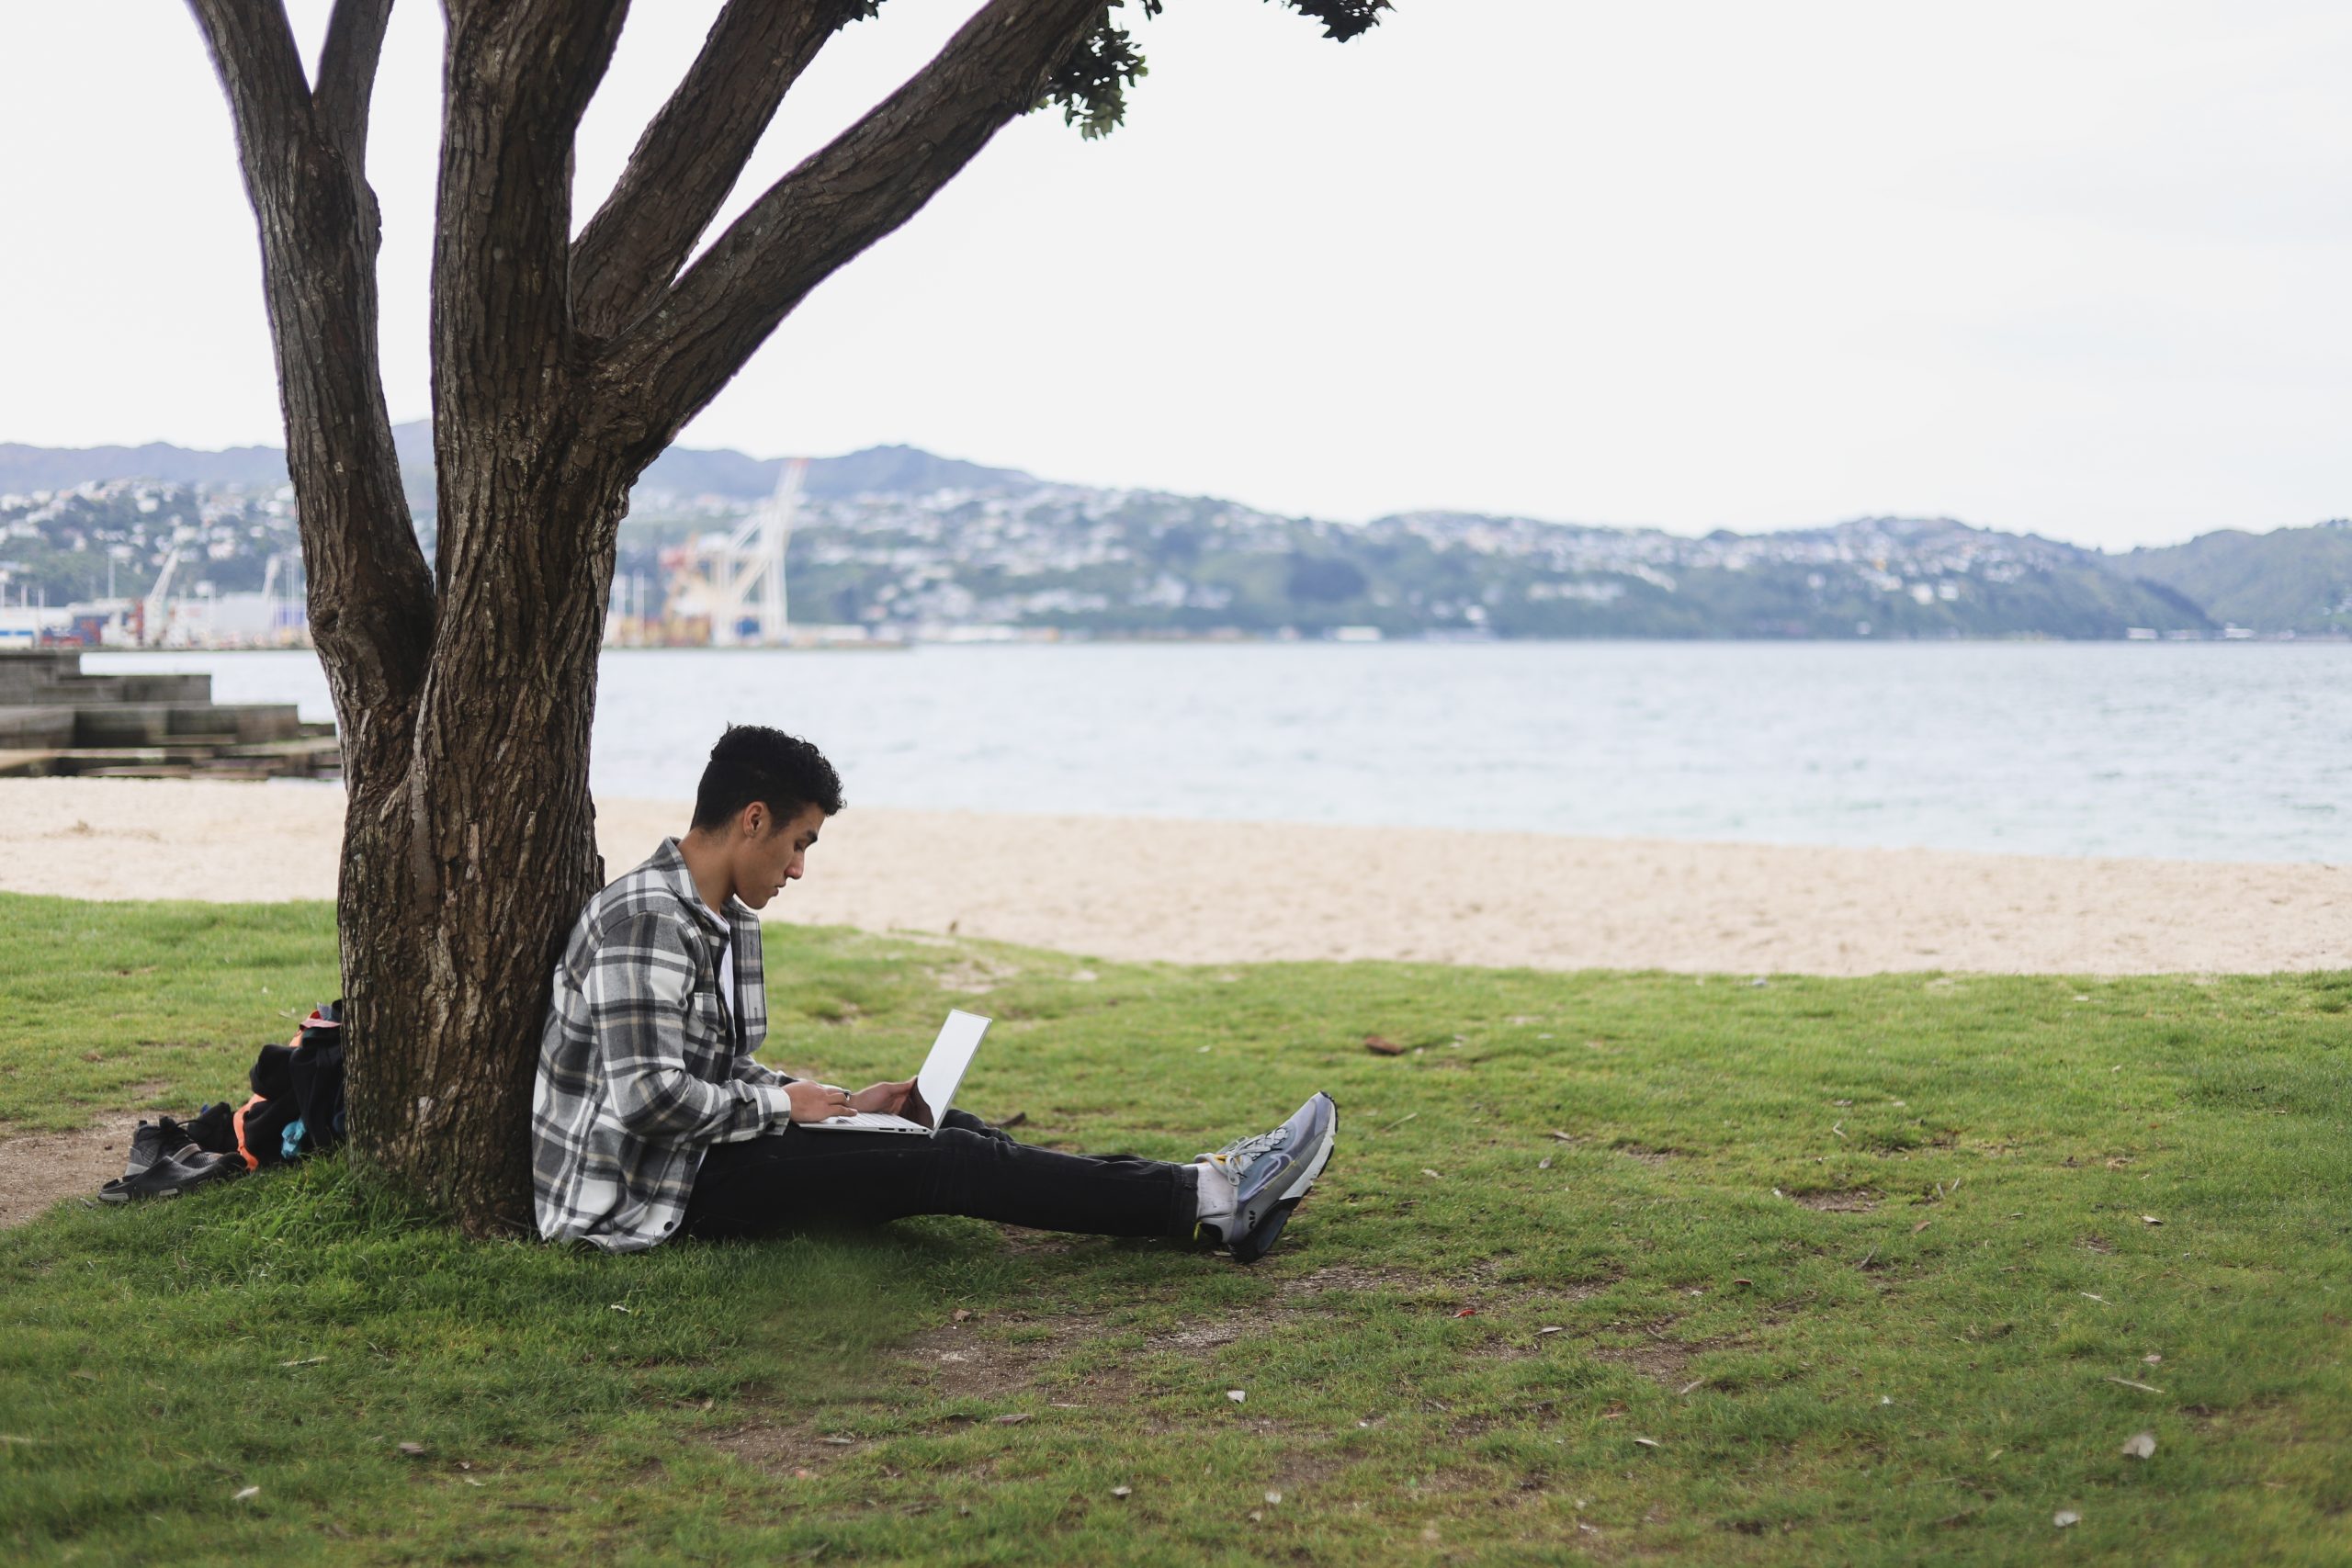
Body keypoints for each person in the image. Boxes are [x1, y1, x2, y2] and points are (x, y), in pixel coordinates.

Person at [532, 724, 1336, 1261]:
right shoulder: (645, 919)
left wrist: (847, 1099)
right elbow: (649, 1100)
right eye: (799, 843)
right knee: (942, 1159)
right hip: (653, 1196)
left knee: (941, 1124)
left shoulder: (711, 915)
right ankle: (1212, 1196)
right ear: (752, 819)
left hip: (699, 1158)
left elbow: (717, 1068)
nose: (800, 868)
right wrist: (790, 1108)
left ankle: (1200, 1192)